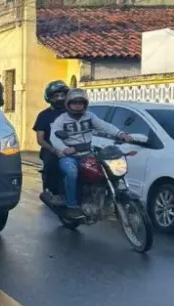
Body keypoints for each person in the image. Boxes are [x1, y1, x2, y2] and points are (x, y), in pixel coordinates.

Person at [50, 88, 134, 218]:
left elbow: (104, 126)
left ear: (85, 104)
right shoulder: (61, 120)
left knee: (106, 170)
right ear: (68, 104)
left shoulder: (89, 116)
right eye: (74, 102)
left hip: (87, 154)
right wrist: (64, 148)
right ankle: (72, 205)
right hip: (69, 156)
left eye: (80, 102)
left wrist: (121, 134)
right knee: (72, 172)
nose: (78, 105)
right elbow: (54, 137)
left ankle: (106, 198)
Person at [32, 80, 67, 199]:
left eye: (62, 95)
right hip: (51, 151)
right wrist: (53, 150)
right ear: (50, 98)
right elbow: (40, 139)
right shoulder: (44, 115)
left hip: (71, 149)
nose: (60, 98)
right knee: (52, 164)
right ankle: (51, 192)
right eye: (56, 96)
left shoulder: (72, 113)